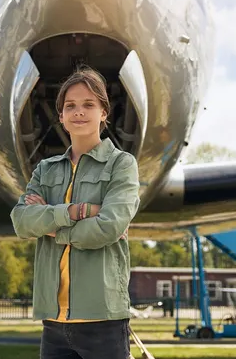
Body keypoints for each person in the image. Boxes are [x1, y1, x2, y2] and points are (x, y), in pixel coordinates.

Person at [11, 66, 141, 359]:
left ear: (104, 113)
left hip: (103, 319)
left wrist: (49, 226)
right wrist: (78, 211)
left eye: (88, 104)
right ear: (61, 116)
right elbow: (21, 221)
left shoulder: (121, 165)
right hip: (54, 322)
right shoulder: (45, 170)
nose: (78, 112)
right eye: (70, 106)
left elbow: (108, 228)